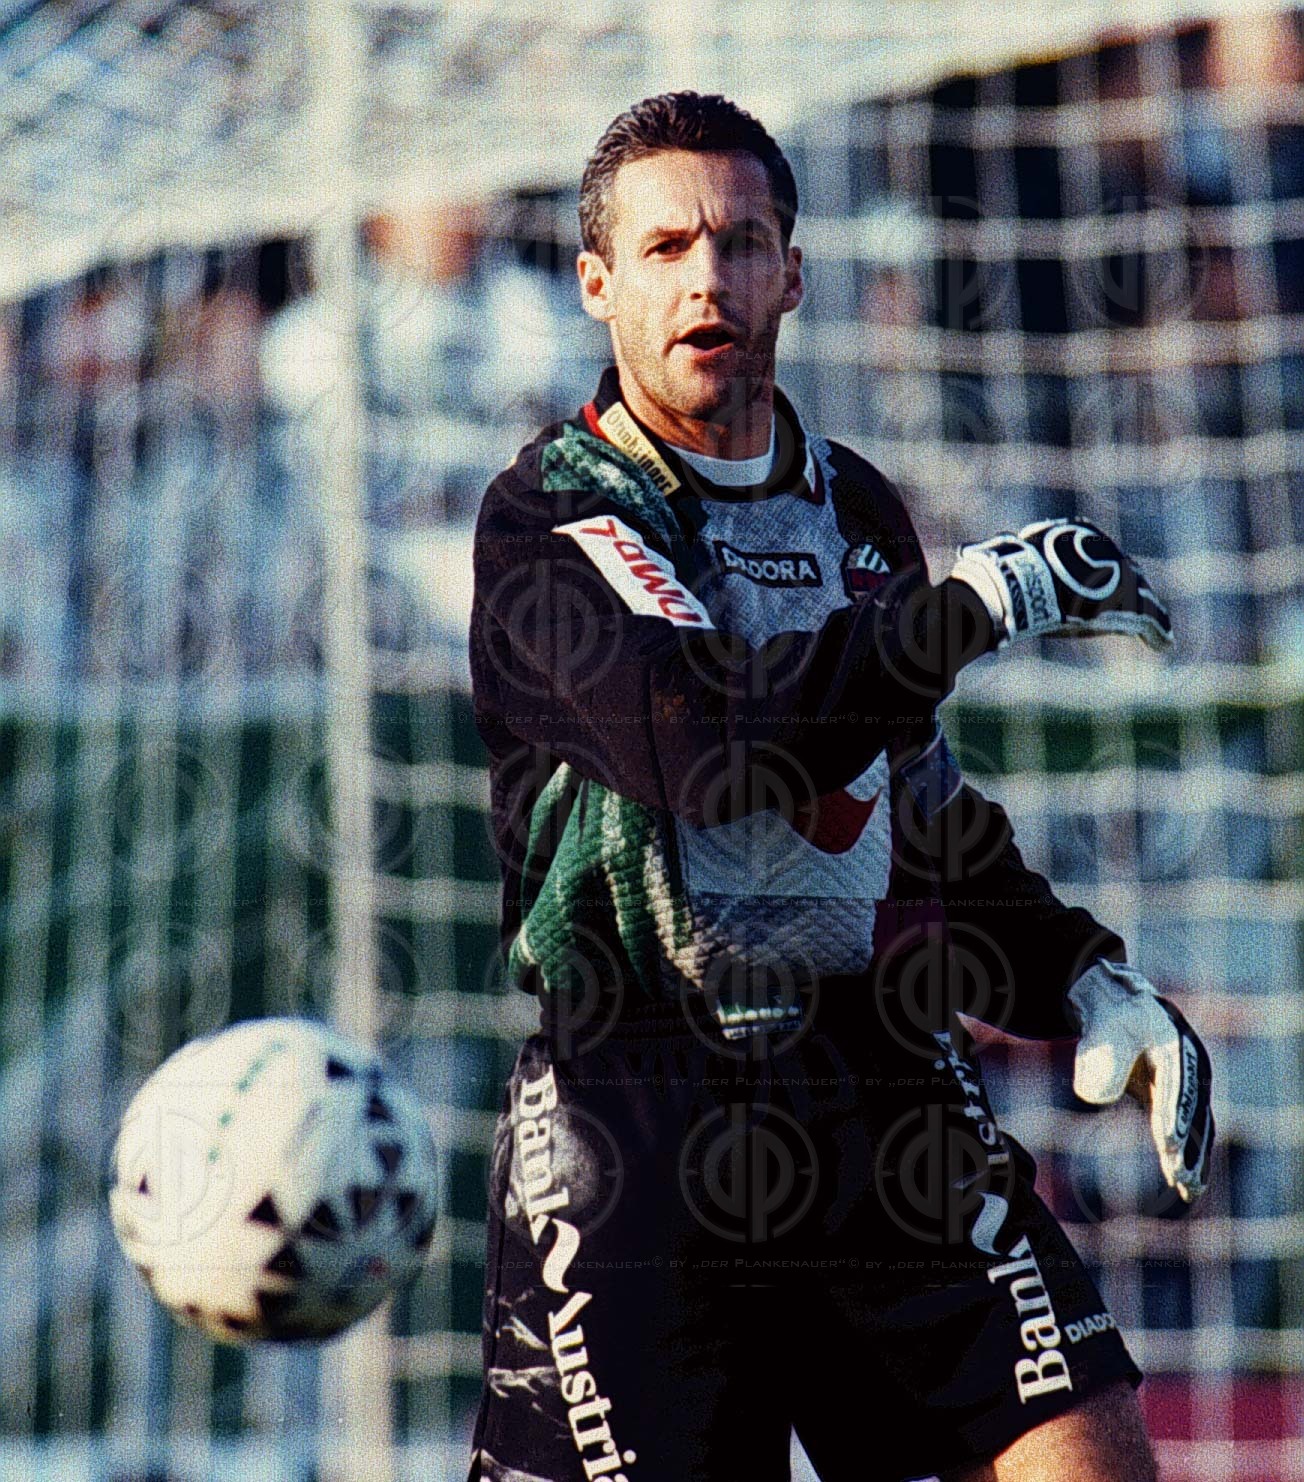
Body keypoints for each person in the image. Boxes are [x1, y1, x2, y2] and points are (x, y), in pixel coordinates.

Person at [466, 92, 1213, 1482]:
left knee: (1092, 1455)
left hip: (877, 1077)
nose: (708, 278)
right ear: (597, 284)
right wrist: (976, 609)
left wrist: (1081, 975)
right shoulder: (552, 516)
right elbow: (706, 749)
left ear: (794, 275)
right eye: (667, 246)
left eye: (742, 243)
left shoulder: (856, 506)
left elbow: (913, 799)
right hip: (642, 1110)